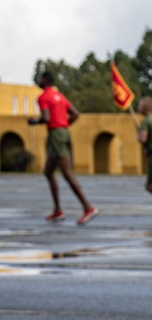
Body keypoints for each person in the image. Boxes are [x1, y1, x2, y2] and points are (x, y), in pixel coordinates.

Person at [28, 71, 98, 225]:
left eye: (40, 78)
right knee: (48, 172)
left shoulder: (43, 97)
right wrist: (64, 125)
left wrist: (35, 122)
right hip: (64, 133)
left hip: (56, 135)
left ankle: (88, 208)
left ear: (45, 80)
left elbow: (46, 118)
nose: (37, 80)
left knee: (67, 173)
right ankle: (58, 211)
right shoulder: (59, 96)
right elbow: (75, 114)